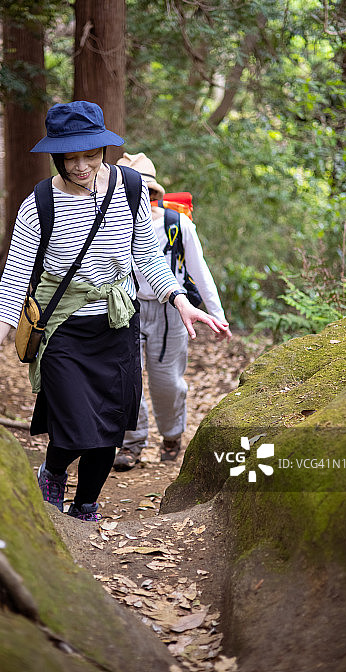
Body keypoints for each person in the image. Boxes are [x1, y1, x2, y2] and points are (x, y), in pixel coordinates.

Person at [0, 102, 230, 521]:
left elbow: (148, 260)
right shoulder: (39, 206)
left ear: (104, 149)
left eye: (91, 154)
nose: (82, 165)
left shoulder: (132, 188)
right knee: (74, 429)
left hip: (119, 327)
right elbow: (12, 288)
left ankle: (85, 503)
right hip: (64, 331)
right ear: (57, 156)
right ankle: (52, 471)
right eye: (71, 157)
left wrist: (180, 300)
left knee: (107, 434)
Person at [113, 153, 231, 471]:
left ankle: (171, 436)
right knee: (127, 378)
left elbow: (199, 271)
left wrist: (217, 316)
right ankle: (132, 441)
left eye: (144, 191)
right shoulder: (112, 224)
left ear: (153, 193)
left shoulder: (177, 224)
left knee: (167, 382)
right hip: (126, 308)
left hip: (172, 311)